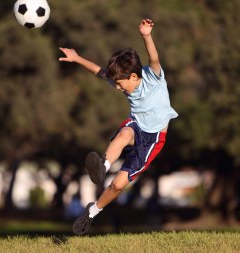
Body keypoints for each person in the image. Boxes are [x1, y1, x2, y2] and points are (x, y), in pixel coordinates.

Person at [59, 18, 178, 235]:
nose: (118, 88)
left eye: (121, 84)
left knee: (118, 185)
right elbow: (98, 71)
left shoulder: (154, 77)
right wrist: (77, 59)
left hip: (153, 139)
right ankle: (102, 167)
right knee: (124, 134)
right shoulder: (122, 80)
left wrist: (146, 35)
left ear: (134, 76)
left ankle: (92, 212)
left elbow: (154, 57)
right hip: (136, 126)